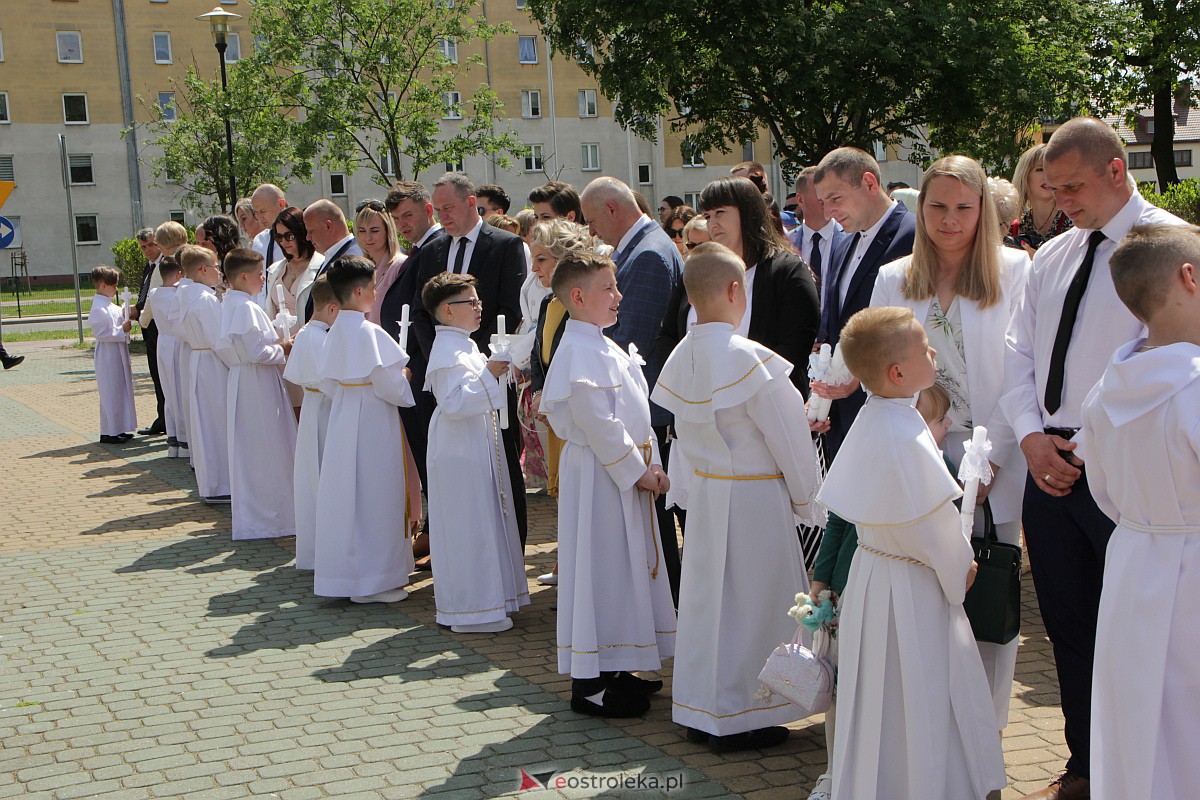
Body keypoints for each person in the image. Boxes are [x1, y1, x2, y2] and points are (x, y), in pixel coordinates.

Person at [1001, 117, 1188, 800]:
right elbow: (1017, 353)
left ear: (1116, 170)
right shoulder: (1052, 255)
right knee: (1069, 625)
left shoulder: (1168, 246)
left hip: (1132, 476)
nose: (1063, 201)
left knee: (1143, 635)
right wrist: (1028, 435)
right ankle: (1086, 764)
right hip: (1048, 465)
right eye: (1054, 189)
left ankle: (1149, 767)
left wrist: (1097, 445)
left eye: (1074, 187)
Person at [869, 154, 1030, 728]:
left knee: (988, 596)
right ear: (921, 207)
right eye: (937, 205)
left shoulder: (1014, 271)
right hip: (916, 455)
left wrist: (994, 462)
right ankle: (926, 732)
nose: (949, 218)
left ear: (983, 209)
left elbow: (1021, 374)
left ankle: (984, 739)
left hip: (993, 459)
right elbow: (880, 371)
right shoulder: (893, 277)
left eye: (964, 207)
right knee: (921, 598)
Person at [818, 306, 1004, 800]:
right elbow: (935, 532)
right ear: (898, 372)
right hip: (912, 590)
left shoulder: (873, 418)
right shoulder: (907, 437)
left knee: (880, 700)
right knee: (917, 699)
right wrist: (959, 569)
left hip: (873, 578)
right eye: (925, 347)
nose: (934, 351)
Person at [652, 243, 818, 751]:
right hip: (755, 499)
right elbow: (789, 438)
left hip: (706, 496)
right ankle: (745, 712)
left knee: (707, 607)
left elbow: (680, 431)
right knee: (754, 608)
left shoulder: (682, 354)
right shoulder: (750, 360)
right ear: (735, 290)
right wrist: (809, 499)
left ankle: (703, 709)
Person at [1077, 223, 1200, 800]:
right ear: (1189, 277)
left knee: (1137, 720)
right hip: (1191, 568)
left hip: (1132, 562)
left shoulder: (1105, 388)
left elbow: (1102, 491)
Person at [803, 379, 956, 800]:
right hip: (853, 588)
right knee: (845, 688)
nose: (948, 427)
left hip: (907, 593)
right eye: (941, 420)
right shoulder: (873, 458)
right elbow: (838, 521)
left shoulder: (945, 471)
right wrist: (822, 578)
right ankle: (836, 774)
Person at [540, 250, 675, 718]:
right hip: (600, 479)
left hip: (618, 475)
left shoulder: (598, 342)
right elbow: (597, 422)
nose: (619, 296)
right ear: (578, 296)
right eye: (608, 288)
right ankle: (590, 684)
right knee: (600, 571)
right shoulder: (578, 350)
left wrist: (648, 464)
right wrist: (638, 471)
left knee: (621, 570)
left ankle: (619, 665)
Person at [409, 173, 528, 547]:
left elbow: (510, 307)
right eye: (438, 209)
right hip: (450, 373)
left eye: (448, 207)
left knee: (503, 465)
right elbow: (420, 313)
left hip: (490, 371)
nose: (442, 215)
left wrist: (479, 356)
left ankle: (510, 549)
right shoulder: (431, 251)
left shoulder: (506, 245)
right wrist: (443, 355)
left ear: (470, 202)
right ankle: (465, 550)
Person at [581, 176, 684, 601]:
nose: (591, 231)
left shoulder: (647, 255)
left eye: (591, 220)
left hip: (648, 404)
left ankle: (665, 603)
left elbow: (629, 339)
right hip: (647, 399)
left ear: (611, 209)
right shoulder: (642, 248)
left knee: (657, 522)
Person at [422, 272, 529, 633]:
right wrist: (488, 372)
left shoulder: (463, 343)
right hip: (458, 446)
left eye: (477, 299)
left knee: (483, 517)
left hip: (472, 440)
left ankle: (491, 600)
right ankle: (471, 610)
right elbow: (453, 403)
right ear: (447, 311)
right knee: (467, 523)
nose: (478, 306)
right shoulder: (446, 350)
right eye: (470, 302)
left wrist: (497, 371)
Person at [658, 177, 820, 397]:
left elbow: (794, 350)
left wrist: (733, 387)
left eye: (720, 213)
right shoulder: (697, 270)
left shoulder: (787, 272)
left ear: (747, 213)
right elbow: (668, 336)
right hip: (699, 407)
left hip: (764, 409)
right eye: (707, 216)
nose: (712, 223)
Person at [314, 256, 416, 603]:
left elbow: (327, 381)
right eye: (373, 286)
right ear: (359, 291)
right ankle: (375, 581)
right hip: (372, 418)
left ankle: (350, 577)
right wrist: (404, 380)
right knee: (376, 494)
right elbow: (389, 383)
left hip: (344, 416)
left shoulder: (336, 329)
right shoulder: (368, 331)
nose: (375, 292)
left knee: (348, 498)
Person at [810, 147, 916, 461]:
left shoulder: (912, 235)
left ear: (869, 183)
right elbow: (835, 320)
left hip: (887, 410)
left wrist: (859, 377)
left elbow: (911, 327)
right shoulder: (843, 241)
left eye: (835, 198)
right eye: (823, 202)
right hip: (839, 416)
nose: (828, 212)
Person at [218, 248, 298, 541]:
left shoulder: (233, 303)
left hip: (245, 378)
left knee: (254, 447)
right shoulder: (247, 307)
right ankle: (273, 518)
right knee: (267, 445)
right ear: (242, 277)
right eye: (258, 274)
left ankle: (263, 516)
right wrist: (285, 347)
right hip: (257, 380)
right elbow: (258, 351)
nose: (262, 278)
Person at [283, 277, 338, 571]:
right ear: (332, 308)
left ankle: (316, 548)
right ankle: (325, 549)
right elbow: (330, 381)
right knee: (323, 475)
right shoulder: (321, 338)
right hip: (325, 409)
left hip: (313, 407)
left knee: (312, 476)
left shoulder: (306, 334)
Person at [177, 244, 232, 504]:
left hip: (198, 358)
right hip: (211, 361)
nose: (219, 272)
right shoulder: (206, 299)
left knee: (205, 422)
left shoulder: (185, 293)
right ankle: (222, 483)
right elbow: (218, 339)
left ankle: (213, 481)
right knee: (217, 422)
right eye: (215, 267)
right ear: (202, 269)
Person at [266, 207, 326, 413]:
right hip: (282, 352)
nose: (284, 242)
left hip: (307, 349)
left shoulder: (321, 265)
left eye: (289, 235)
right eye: (279, 237)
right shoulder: (275, 270)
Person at [87, 266, 136, 444]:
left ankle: (119, 427)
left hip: (117, 352)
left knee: (120, 389)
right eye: (113, 285)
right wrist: (121, 329)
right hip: (108, 355)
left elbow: (118, 315)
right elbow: (101, 333)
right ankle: (110, 431)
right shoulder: (98, 308)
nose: (116, 288)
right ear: (102, 285)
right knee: (111, 391)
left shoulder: (108, 304)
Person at [145, 256, 185, 457]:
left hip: (162, 342)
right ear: (179, 274)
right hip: (177, 341)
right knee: (180, 391)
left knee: (169, 391)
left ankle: (173, 443)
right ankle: (184, 441)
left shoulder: (154, 293)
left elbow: (145, 320)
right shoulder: (179, 294)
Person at [300, 200, 363, 321]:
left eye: (311, 231)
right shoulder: (333, 254)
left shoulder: (351, 258)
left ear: (328, 226)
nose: (307, 237)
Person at [1007, 143, 1073, 254]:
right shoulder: (1013, 228)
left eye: (1053, 169)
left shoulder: (1075, 222)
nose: (1048, 175)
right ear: (1025, 176)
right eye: (1040, 169)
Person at [789, 166, 847, 291]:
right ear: (800, 199)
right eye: (818, 193)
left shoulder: (850, 239)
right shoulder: (787, 244)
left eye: (829, 192)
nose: (825, 198)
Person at [131, 228, 166, 436]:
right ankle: (161, 417)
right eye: (144, 247)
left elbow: (155, 297)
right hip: (149, 327)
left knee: (162, 375)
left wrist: (140, 309)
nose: (148, 250)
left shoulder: (163, 266)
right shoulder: (149, 267)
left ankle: (165, 419)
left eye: (152, 245)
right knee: (156, 374)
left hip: (159, 326)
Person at [353, 201, 406, 325]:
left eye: (374, 231)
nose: (368, 238)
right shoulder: (362, 270)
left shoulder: (399, 266)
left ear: (388, 230)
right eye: (362, 231)